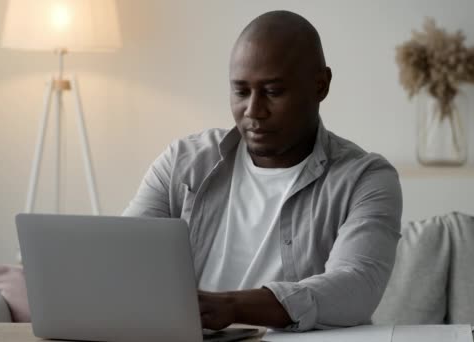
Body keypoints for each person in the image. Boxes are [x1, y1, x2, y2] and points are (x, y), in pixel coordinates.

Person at [123, 10, 402, 332]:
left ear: (321, 85)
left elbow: (356, 286)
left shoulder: (365, 177)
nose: (253, 111)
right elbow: (122, 255)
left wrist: (231, 307)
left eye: (273, 92)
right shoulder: (183, 161)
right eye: (241, 92)